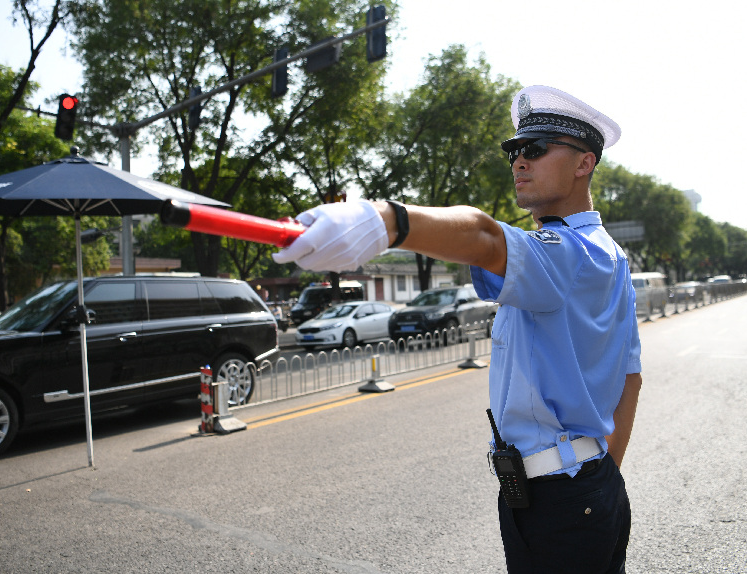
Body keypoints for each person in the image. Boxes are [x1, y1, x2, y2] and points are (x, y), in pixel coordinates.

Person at [273, 85, 642, 574]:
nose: (519, 162)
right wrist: (603, 477)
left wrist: (387, 221)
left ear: (584, 164)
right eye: (514, 150)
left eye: (536, 149)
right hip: (568, 492)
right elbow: (631, 376)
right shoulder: (606, 253)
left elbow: (485, 236)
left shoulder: (568, 252)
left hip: (566, 500)